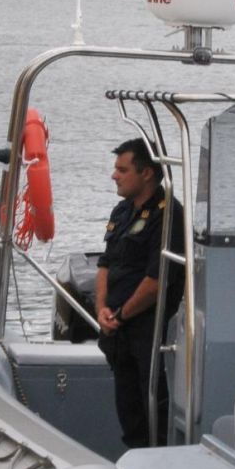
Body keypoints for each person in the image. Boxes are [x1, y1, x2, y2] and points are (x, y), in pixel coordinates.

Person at [96, 137, 181, 448]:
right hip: (119, 333)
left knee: (153, 414)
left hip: (149, 332)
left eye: (122, 169)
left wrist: (121, 314)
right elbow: (105, 264)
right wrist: (101, 309)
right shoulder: (121, 211)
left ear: (146, 173)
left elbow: (156, 282)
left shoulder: (168, 214)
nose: (114, 175)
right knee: (129, 416)